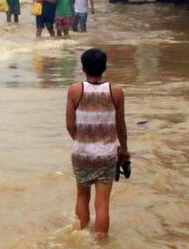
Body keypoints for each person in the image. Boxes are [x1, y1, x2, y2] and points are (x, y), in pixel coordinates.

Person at [66, 48, 130, 236]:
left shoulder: (75, 90)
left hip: (81, 153)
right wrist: (124, 149)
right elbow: (121, 125)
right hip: (107, 153)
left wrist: (81, 142)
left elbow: (70, 125)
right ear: (104, 68)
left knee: (82, 196)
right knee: (102, 203)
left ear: (83, 68)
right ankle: (100, 242)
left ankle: (81, 238)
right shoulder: (116, 92)